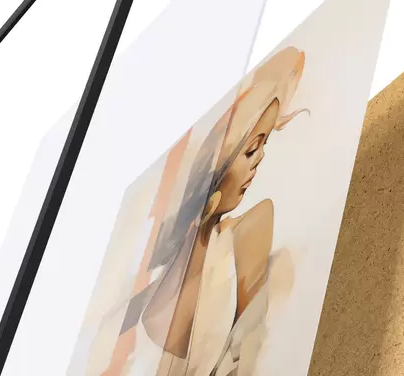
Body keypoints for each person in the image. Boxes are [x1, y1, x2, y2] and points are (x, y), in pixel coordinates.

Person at [85, 47, 308, 376]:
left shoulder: (246, 234)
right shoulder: (133, 305)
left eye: (263, 146)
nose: (260, 160)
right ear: (219, 164)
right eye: (251, 149)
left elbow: (247, 354)